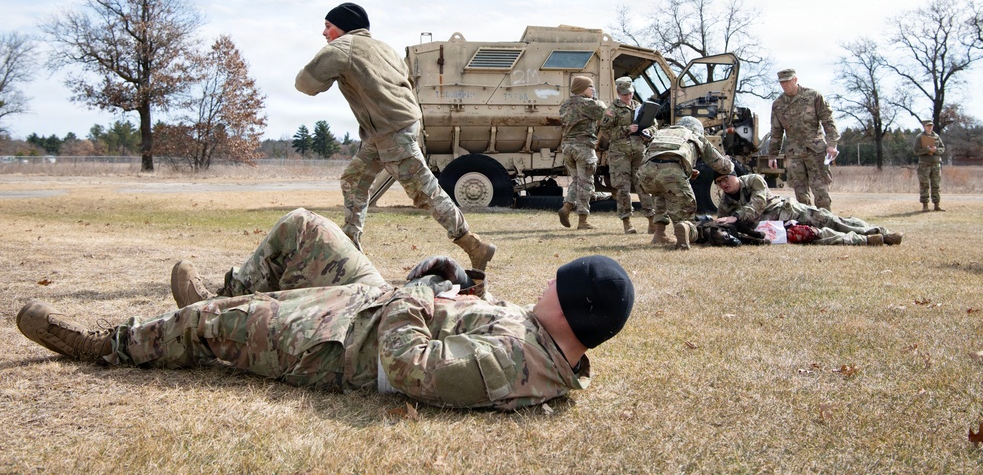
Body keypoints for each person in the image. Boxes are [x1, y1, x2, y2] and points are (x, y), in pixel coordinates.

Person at [16, 208, 634, 412]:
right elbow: (457, 327)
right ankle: (227, 294)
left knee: (205, 330)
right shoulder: (538, 338)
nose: (545, 286)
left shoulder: (515, 366)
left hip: (341, 342)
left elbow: (411, 368)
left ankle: (105, 344)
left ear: (570, 308)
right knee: (304, 227)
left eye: (557, 284)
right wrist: (451, 285)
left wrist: (418, 294)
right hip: (374, 304)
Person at [295, 2, 495, 270]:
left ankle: (474, 245)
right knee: (354, 180)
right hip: (393, 127)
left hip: (391, 131)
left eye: (328, 26)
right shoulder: (385, 48)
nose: (324, 32)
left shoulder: (343, 47)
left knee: (425, 191)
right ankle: (351, 249)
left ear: (344, 27)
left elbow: (305, 84)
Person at [711, 169, 903, 246]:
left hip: (791, 210)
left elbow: (758, 204)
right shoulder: (725, 201)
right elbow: (722, 222)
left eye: (725, 178)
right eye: (719, 182)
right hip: (779, 228)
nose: (723, 184)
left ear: (735, 175)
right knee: (821, 237)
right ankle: (870, 239)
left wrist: (735, 217)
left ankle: (880, 232)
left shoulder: (754, 180)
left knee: (834, 221)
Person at [636, 116, 734, 249]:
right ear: (697, 129)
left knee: (661, 193)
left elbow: (659, 156)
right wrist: (729, 163)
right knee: (686, 214)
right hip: (671, 173)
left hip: (645, 175)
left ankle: (659, 234)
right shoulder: (696, 136)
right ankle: (686, 231)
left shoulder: (662, 132)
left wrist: (686, 171)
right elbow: (722, 166)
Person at [767, 69, 840, 211]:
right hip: (794, 154)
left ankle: (826, 222)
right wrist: (772, 155)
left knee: (820, 191)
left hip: (815, 151)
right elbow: (776, 131)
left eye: (787, 81)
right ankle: (807, 226)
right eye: (782, 83)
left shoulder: (813, 96)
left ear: (795, 80)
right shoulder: (778, 104)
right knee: (800, 194)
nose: (785, 85)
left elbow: (828, 120)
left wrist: (832, 144)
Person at [600, 76, 655, 235]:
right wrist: (626, 129)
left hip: (639, 151)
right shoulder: (611, 111)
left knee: (644, 185)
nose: (628, 96)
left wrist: (648, 133)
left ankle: (651, 221)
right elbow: (605, 132)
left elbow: (654, 125)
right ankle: (627, 223)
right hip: (619, 154)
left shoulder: (640, 107)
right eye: (625, 94)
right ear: (618, 93)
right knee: (622, 188)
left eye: (630, 93)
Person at [557, 75, 608, 230]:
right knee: (585, 184)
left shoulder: (565, 104)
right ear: (582, 88)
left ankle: (566, 208)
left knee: (578, 181)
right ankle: (583, 221)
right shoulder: (589, 104)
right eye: (590, 87)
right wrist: (598, 101)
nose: (593, 89)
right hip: (583, 148)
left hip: (567, 147)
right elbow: (606, 114)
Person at [913, 118, 945, 212]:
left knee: (936, 185)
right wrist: (927, 150)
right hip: (924, 164)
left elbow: (942, 148)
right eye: (927, 126)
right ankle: (925, 205)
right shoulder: (919, 137)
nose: (929, 127)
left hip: (936, 164)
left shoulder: (936, 136)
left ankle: (936, 205)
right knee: (924, 184)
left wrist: (936, 150)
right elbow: (916, 151)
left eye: (931, 125)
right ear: (924, 127)